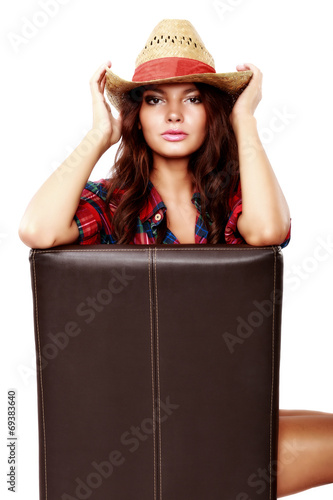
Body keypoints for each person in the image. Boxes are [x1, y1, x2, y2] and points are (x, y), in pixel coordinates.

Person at [19, 18, 332, 497]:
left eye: (192, 98)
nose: (173, 115)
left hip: (218, 417)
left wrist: (245, 119)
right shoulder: (110, 202)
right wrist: (100, 134)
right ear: (135, 116)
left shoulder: (231, 200)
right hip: (139, 435)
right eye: (154, 99)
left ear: (212, 113)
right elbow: (36, 230)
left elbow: (269, 230)